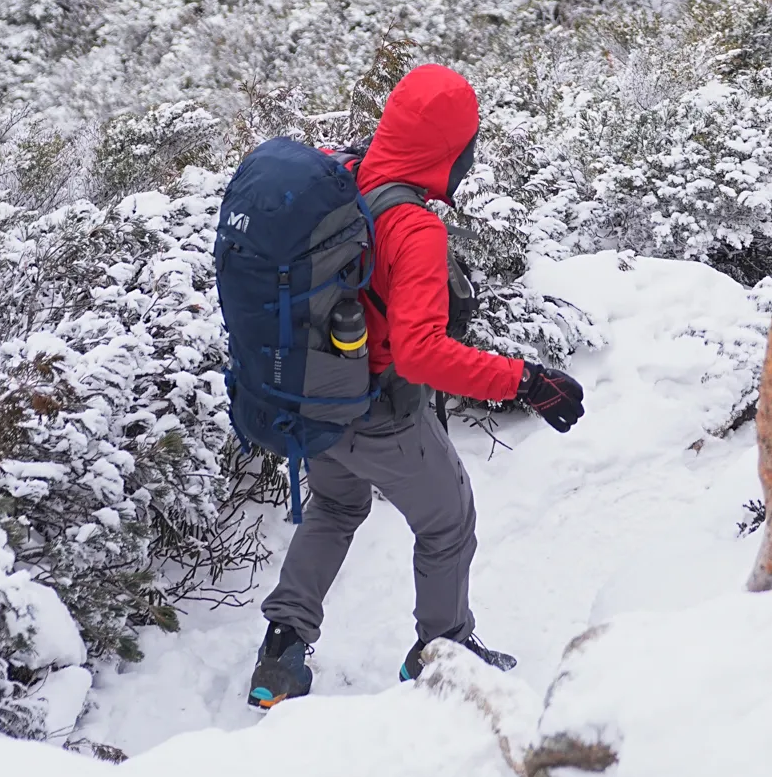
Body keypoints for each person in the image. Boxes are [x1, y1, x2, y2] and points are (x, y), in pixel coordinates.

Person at [247, 62, 584, 707]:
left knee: (337, 507)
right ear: (452, 150)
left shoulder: (338, 174)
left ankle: (281, 655)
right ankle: (444, 653)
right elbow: (423, 353)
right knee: (448, 521)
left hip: (308, 399)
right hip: (378, 413)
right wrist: (528, 381)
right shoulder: (413, 227)